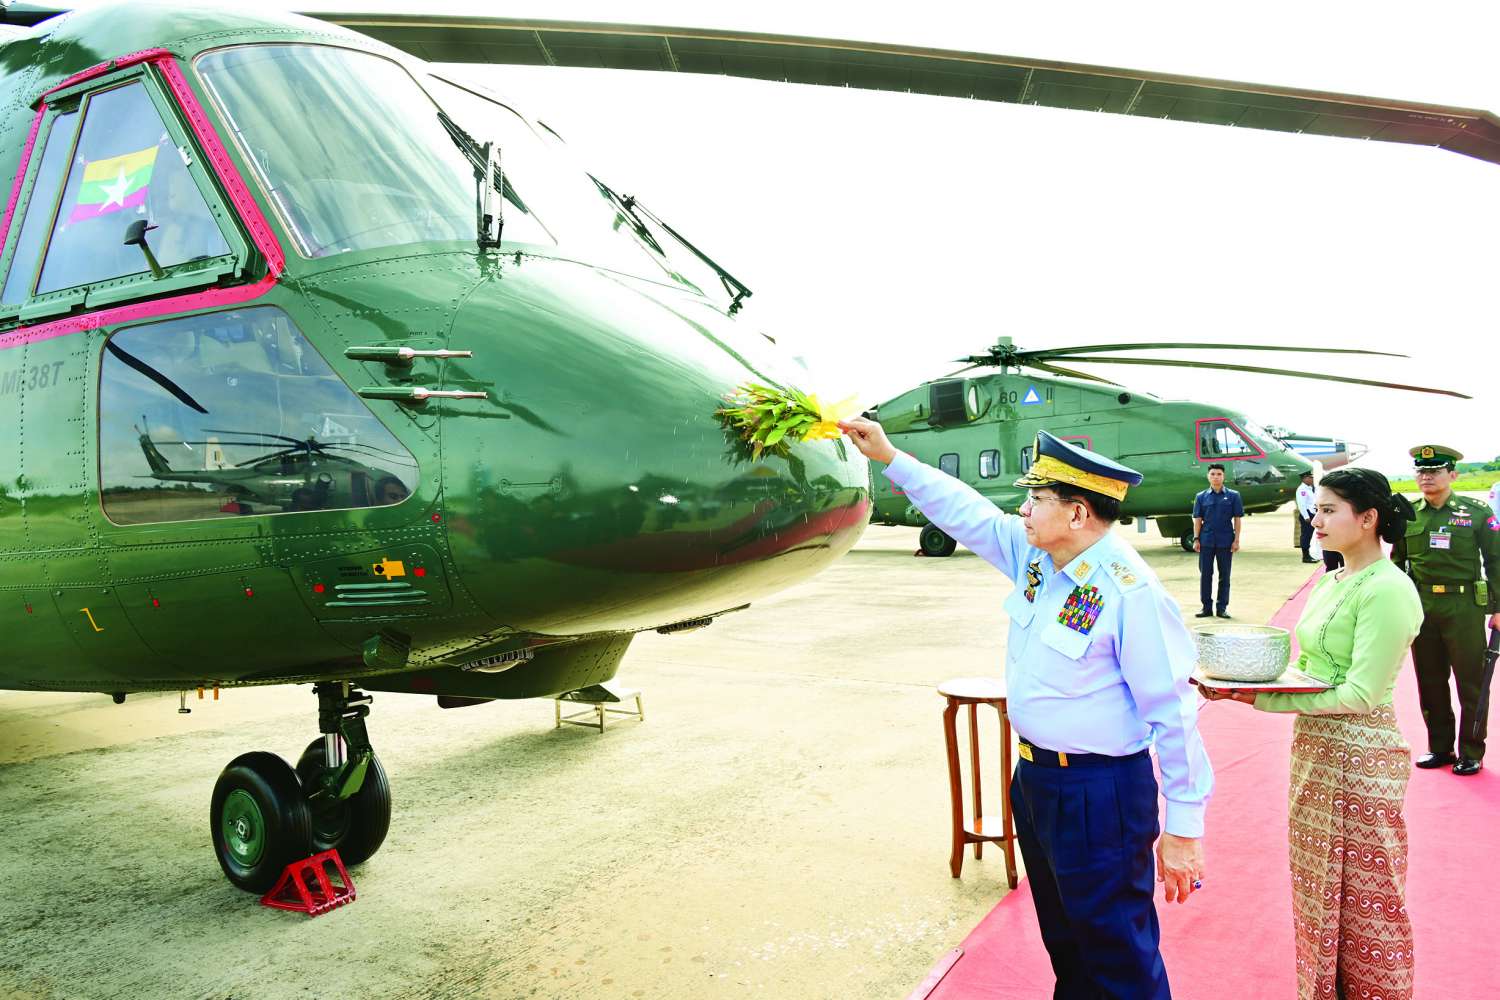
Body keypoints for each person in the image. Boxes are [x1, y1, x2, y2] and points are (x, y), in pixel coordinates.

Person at [839, 420, 1212, 1000]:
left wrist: (1184, 827)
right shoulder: (1037, 557)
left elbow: (1174, 711)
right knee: (1067, 944)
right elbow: (966, 512)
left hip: (1100, 793)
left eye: (1037, 499)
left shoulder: (1129, 591)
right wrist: (889, 456)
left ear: (1078, 513)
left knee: (1118, 955)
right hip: (1037, 781)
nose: (1023, 510)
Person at [1200, 467, 1422, 1000]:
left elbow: (1361, 694)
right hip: (1316, 750)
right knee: (1318, 889)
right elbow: (1308, 668)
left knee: (1369, 903)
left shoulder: (1389, 589)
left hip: (1361, 756)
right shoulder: (1332, 578)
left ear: (1367, 519)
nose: (1314, 520)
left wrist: (1260, 698)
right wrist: (1241, 682)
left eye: (1327, 511)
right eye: (1315, 509)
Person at [1393, 444, 1500, 776]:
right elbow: (1397, 564)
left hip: (1463, 606)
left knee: (1471, 682)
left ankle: (1471, 751)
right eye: (1421, 471)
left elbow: (1495, 560)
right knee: (1430, 680)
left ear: (1452, 475)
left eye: (1435, 471)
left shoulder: (1476, 512)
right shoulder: (1409, 514)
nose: (1426, 476)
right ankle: (1440, 747)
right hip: (1422, 606)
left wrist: (1499, 608)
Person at [1192, 464, 1243, 619]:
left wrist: (1236, 540)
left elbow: (1237, 519)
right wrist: (1196, 539)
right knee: (1205, 575)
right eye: (1213, 474)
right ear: (1208, 476)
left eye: (1219, 474)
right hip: (1206, 541)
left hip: (1225, 541)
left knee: (1225, 576)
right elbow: (1198, 520)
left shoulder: (1233, 496)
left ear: (1223, 476)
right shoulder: (1201, 496)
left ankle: (1222, 608)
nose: (1216, 477)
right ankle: (1206, 608)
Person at [1295, 470, 1318, 563]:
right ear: (1304, 479)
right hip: (1307, 515)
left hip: (1312, 514)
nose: (1312, 479)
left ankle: (1309, 555)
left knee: (1310, 535)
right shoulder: (1302, 489)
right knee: (1306, 536)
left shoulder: (1310, 488)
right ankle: (1305, 556)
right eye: (1310, 478)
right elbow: (1301, 504)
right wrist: (1306, 516)